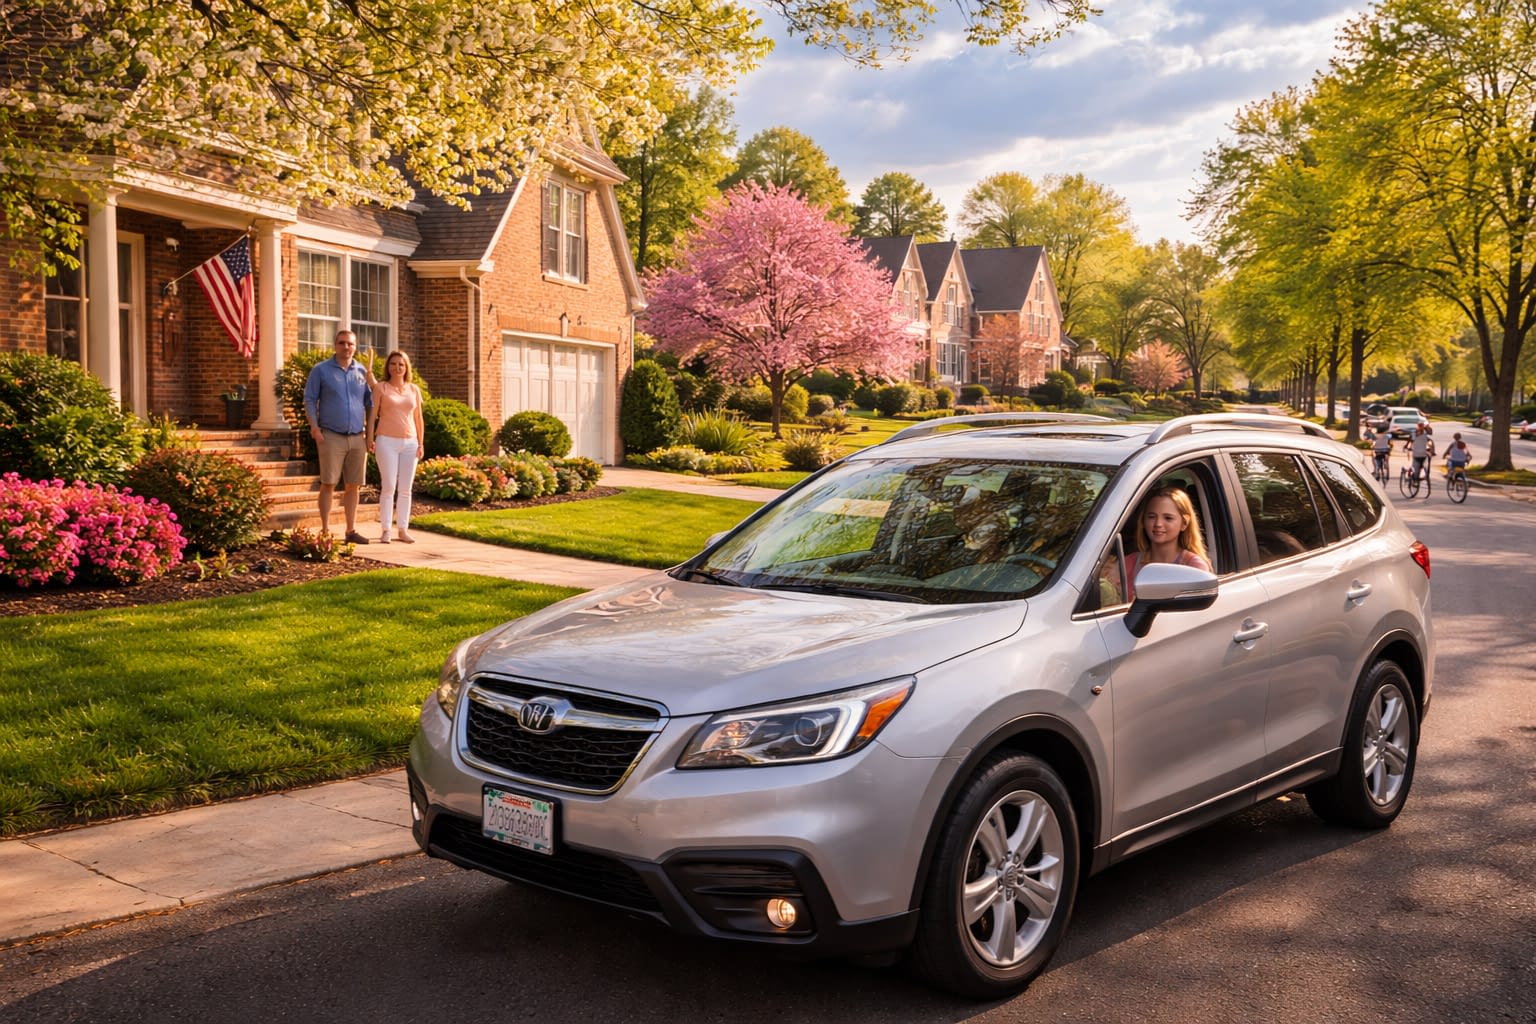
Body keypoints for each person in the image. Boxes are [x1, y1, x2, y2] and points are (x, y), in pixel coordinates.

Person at [303, 330, 374, 543]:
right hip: (330, 435)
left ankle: (350, 531)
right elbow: (309, 400)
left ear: (355, 347)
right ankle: (325, 531)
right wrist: (314, 428)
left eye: (350, 344)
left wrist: (370, 436)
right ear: (335, 345)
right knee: (329, 483)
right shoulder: (321, 371)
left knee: (354, 485)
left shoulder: (361, 371)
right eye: (342, 343)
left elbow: (371, 404)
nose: (346, 347)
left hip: (357, 437)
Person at [368, 350, 425, 544]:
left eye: (401, 364)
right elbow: (372, 415)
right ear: (388, 367)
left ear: (406, 367)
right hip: (386, 442)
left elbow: (418, 418)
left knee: (406, 489)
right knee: (389, 486)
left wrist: (421, 443)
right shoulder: (381, 388)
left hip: (410, 443)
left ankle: (402, 529)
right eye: (393, 364)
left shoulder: (414, 390)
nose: (397, 367)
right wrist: (369, 439)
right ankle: (386, 529)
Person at [1121, 486, 1212, 600]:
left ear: (1184, 523)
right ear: (1143, 521)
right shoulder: (1127, 564)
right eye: (1151, 517)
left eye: (1168, 518)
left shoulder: (1194, 567)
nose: (1158, 524)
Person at [1406, 421, 1435, 489]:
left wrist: (1407, 446)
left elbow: (1430, 432)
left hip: (1420, 454)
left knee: (1418, 467)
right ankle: (1416, 479)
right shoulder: (1420, 433)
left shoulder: (1421, 433)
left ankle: (1417, 479)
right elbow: (1410, 440)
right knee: (1418, 467)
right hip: (1420, 454)